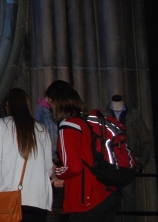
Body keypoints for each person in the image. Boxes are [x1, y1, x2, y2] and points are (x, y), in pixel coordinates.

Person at [47, 80, 119, 221]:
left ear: (56, 101)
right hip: (104, 191)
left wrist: (56, 172)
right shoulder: (85, 120)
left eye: (50, 102)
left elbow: (74, 167)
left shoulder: (68, 124)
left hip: (87, 198)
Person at [0, 88, 53, 222]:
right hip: (39, 200)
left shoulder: (1, 125)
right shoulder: (42, 129)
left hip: (10, 197)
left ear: (8, 104)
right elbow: (48, 169)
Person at [104, 94, 152, 220]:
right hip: (110, 166)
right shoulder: (103, 116)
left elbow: (146, 141)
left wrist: (140, 161)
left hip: (128, 166)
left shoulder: (134, 115)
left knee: (129, 202)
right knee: (111, 203)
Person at [34, 94, 59, 164]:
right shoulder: (39, 109)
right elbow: (38, 132)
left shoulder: (59, 109)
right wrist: (53, 156)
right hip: (47, 153)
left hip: (60, 153)